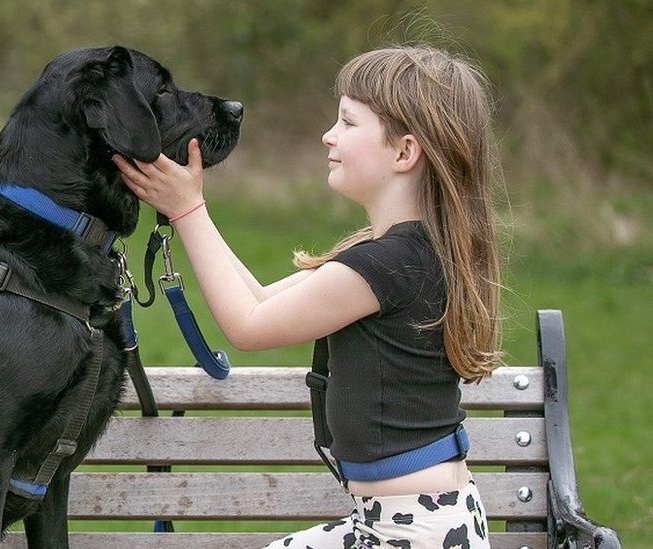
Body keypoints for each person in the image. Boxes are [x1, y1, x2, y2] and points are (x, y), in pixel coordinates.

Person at [112, 45, 503, 548]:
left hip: (411, 532)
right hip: (419, 522)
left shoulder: (383, 266)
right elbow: (259, 300)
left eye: (347, 122)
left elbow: (248, 326)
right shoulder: (402, 253)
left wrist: (187, 211)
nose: (328, 135)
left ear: (404, 153)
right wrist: (194, 207)